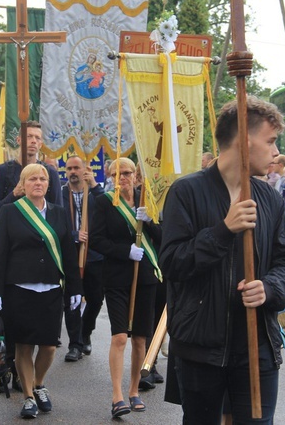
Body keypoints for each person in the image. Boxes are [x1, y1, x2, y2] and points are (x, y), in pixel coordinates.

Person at [159, 97, 285, 424]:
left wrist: (269, 288)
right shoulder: (186, 192)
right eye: (271, 141)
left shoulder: (269, 197)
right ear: (244, 141)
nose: (276, 152)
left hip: (258, 345)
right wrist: (223, 231)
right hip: (201, 348)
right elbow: (172, 263)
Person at [0, 164, 82, 419]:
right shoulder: (10, 212)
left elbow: (68, 254)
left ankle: (40, 384)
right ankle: (28, 396)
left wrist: (75, 287)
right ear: (23, 184)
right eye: (32, 179)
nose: (38, 183)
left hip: (51, 288)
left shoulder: (59, 214)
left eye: (42, 179)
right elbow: (0, 254)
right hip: (19, 289)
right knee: (24, 346)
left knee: (49, 346)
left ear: (49, 185)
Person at [92, 156, 163, 418]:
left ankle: (134, 390)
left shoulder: (148, 201)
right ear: (110, 178)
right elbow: (97, 240)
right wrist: (125, 251)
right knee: (120, 336)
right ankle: (117, 395)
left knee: (141, 338)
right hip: (117, 276)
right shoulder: (104, 202)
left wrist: (150, 221)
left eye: (127, 172)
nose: (122, 178)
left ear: (136, 175)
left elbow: (163, 237)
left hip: (144, 275)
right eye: (116, 174)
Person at [61, 155, 105, 362]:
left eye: (76, 168)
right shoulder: (61, 194)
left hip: (95, 254)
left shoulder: (95, 192)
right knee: (72, 300)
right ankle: (75, 344)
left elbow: (108, 207)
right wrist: (73, 234)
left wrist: (95, 185)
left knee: (95, 299)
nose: (72, 172)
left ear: (84, 170)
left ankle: (86, 331)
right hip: (70, 254)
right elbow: (55, 222)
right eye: (69, 168)